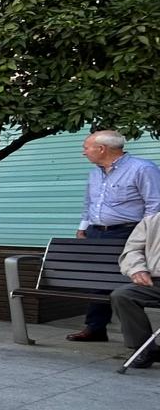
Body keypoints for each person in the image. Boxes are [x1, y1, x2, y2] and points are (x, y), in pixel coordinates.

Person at [66, 130, 160, 342]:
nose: (83, 152)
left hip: (128, 232)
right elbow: (88, 203)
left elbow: (155, 204)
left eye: (86, 147)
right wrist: (83, 227)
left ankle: (136, 335)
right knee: (96, 279)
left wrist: (145, 235)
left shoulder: (142, 168)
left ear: (102, 149)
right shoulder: (95, 172)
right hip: (96, 232)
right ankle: (95, 328)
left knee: (124, 280)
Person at [110, 211, 160, 369]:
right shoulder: (152, 221)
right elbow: (132, 250)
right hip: (155, 281)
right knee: (122, 295)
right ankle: (144, 349)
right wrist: (138, 269)